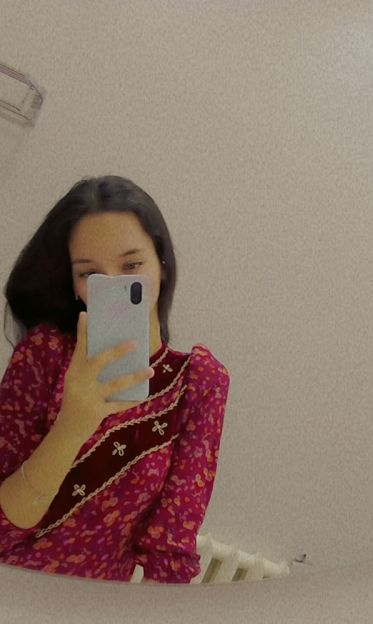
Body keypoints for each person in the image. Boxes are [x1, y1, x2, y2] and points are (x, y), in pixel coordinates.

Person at [0, 176, 230, 583]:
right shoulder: (45, 354)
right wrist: (73, 423)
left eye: (131, 266)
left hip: (97, 609)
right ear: (74, 285)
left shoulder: (196, 384)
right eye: (91, 274)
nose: (116, 286)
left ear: (162, 265)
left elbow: (170, 551)